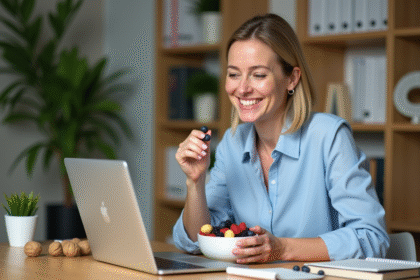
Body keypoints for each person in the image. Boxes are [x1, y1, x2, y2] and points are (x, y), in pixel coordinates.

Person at [172, 13, 389, 263]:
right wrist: (195, 182)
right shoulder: (232, 144)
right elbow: (194, 241)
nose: (242, 89)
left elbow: (372, 237)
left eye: (259, 74)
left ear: (292, 78)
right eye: (233, 74)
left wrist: (281, 249)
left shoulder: (328, 136)